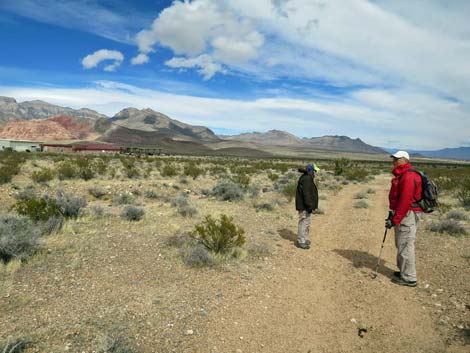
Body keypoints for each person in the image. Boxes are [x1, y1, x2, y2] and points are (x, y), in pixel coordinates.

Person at [386, 151, 423, 287]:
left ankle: (409, 277)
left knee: (406, 244)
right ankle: (403, 271)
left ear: (404, 160)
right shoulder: (404, 174)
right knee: (402, 243)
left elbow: (405, 201)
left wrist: (395, 219)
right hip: (405, 214)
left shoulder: (408, 176)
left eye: (396, 159)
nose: (394, 161)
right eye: (394, 159)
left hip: (407, 214)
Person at [295, 163, 319, 249]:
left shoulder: (306, 178)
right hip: (304, 206)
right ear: (310, 171)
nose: (315, 172)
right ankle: (301, 241)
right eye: (314, 171)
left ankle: (304, 239)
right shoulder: (307, 179)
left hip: (305, 205)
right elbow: (306, 194)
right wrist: (309, 206)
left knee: (306, 222)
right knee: (304, 222)